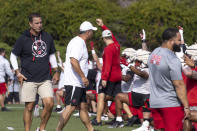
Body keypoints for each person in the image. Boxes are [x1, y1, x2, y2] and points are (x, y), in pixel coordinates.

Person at [10, 13, 59, 131]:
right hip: (28, 78)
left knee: (50, 103)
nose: (39, 25)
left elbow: (51, 55)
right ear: (30, 24)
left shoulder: (47, 37)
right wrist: (18, 73)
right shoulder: (23, 38)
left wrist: (56, 70)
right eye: (36, 23)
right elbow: (13, 56)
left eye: (41, 22)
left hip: (45, 77)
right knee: (30, 107)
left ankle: (41, 129)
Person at [56, 21, 97, 131]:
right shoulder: (78, 43)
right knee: (70, 107)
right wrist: (83, 77)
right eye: (92, 31)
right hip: (75, 82)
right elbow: (73, 61)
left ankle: (91, 129)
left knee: (83, 107)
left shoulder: (79, 42)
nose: (92, 33)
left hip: (78, 83)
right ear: (88, 32)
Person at [148, 28, 190, 131]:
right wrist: (186, 107)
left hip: (155, 102)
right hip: (170, 104)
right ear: (172, 41)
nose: (180, 43)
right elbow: (179, 84)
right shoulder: (172, 59)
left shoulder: (154, 53)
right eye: (179, 40)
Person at [91, 18, 122, 126]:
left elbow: (107, 65)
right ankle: (121, 118)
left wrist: (104, 78)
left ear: (104, 38)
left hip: (110, 77)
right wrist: (103, 25)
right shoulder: (117, 45)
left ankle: (98, 120)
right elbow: (111, 36)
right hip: (118, 75)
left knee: (101, 96)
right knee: (118, 97)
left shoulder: (108, 49)